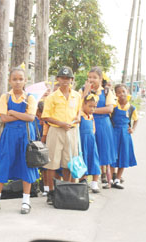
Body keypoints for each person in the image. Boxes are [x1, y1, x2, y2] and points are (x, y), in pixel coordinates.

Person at [0, 65, 39, 215]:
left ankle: (26, 201)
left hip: (25, 135)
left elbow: (31, 117)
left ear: (25, 81)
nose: (17, 82)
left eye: (20, 79)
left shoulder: (30, 98)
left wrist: (13, 112)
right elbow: (3, 118)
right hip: (9, 135)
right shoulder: (5, 97)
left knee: (26, 165)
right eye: (14, 79)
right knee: (4, 163)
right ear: (10, 81)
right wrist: (18, 116)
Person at [41, 66, 81, 205]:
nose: (65, 81)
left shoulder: (77, 95)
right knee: (52, 163)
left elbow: (78, 112)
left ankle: (66, 190)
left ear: (72, 80)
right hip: (56, 130)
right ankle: (51, 192)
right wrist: (61, 123)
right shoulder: (52, 97)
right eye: (62, 78)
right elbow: (46, 116)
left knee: (68, 163)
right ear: (58, 79)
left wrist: (78, 118)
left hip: (71, 131)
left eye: (68, 78)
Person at [82, 67, 116, 189]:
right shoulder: (84, 90)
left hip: (102, 124)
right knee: (87, 150)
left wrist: (92, 110)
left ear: (100, 79)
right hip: (87, 124)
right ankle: (84, 179)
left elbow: (109, 109)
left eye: (94, 77)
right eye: (90, 77)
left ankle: (102, 180)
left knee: (103, 151)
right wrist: (86, 91)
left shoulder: (106, 92)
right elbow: (79, 106)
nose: (91, 80)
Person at [110, 84, 138, 189]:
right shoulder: (113, 106)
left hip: (125, 135)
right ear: (116, 94)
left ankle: (118, 179)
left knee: (123, 155)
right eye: (119, 92)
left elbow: (136, 119)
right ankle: (111, 179)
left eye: (123, 91)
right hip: (114, 133)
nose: (121, 94)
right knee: (113, 155)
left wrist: (133, 129)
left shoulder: (131, 108)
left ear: (127, 92)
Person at [79, 93, 101, 193]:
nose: (92, 109)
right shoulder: (80, 116)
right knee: (83, 160)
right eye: (90, 106)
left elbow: (93, 130)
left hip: (91, 141)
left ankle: (94, 182)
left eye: (94, 107)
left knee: (94, 160)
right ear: (84, 104)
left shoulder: (91, 117)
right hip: (82, 141)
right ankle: (83, 180)